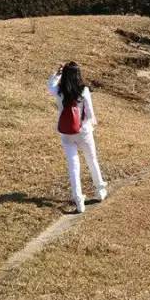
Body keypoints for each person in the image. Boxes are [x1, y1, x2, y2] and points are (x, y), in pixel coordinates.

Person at [47, 61, 107, 214]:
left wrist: (57, 73)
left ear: (65, 75)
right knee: (91, 159)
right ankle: (100, 190)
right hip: (84, 131)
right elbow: (89, 111)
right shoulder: (83, 90)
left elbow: (50, 85)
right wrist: (92, 123)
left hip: (66, 133)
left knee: (73, 167)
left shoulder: (59, 90)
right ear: (78, 74)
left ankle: (78, 200)